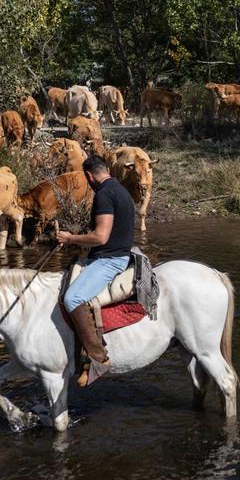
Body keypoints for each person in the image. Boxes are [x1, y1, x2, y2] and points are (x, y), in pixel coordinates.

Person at [57, 154, 135, 387]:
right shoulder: (121, 190)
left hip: (110, 260)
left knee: (72, 298)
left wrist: (71, 238)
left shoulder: (103, 194)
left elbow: (101, 236)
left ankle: (99, 359)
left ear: (89, 176)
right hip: (117, 253)